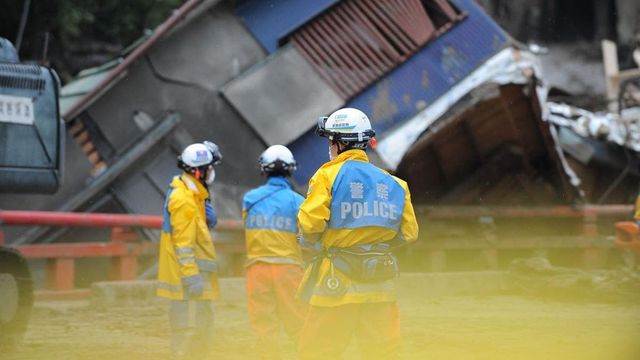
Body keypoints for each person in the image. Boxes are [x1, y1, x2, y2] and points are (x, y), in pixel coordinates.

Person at [296, 108, 419, 359]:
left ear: (340, 143)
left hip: (336, 285)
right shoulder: (396, 184)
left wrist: (314, 244)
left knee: (318, 352)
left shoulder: (326, 176)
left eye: (331, 140)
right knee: (383, 352)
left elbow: (309, 225)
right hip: (381, 284)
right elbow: (409, 233)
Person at [156, 141, 223, 359]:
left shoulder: (192, 193)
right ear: (197, 171)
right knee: (189, 330)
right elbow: (183, 244)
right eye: (208, 168)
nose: (211, 172)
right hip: (189, 277)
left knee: (197, 327)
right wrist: (192, 277)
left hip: (191, 274)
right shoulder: (184, 199)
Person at [242, 145, 308, 359]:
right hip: (288, 270)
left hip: (257, 269)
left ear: (264, 169)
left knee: (264, 327)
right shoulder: (297, 202)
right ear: (291, 170)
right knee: (299, 323)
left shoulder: (249, 200)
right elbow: (307, 236)